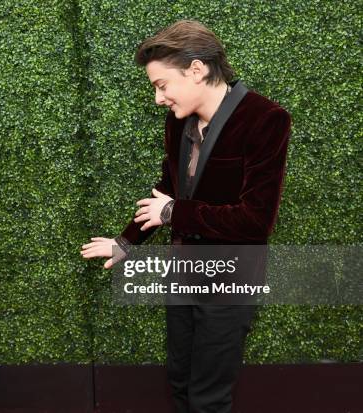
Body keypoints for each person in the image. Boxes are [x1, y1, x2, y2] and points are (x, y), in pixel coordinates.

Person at [81, 20, 291, 412]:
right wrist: (126, 242)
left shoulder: (265, 119)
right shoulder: (180, 122)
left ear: (197, 69)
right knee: (179, 381)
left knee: (208, 396)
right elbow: (166, 190)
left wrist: (174, 212)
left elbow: (254, 220)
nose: (159, 98)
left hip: (231, 277)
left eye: (162, 85)